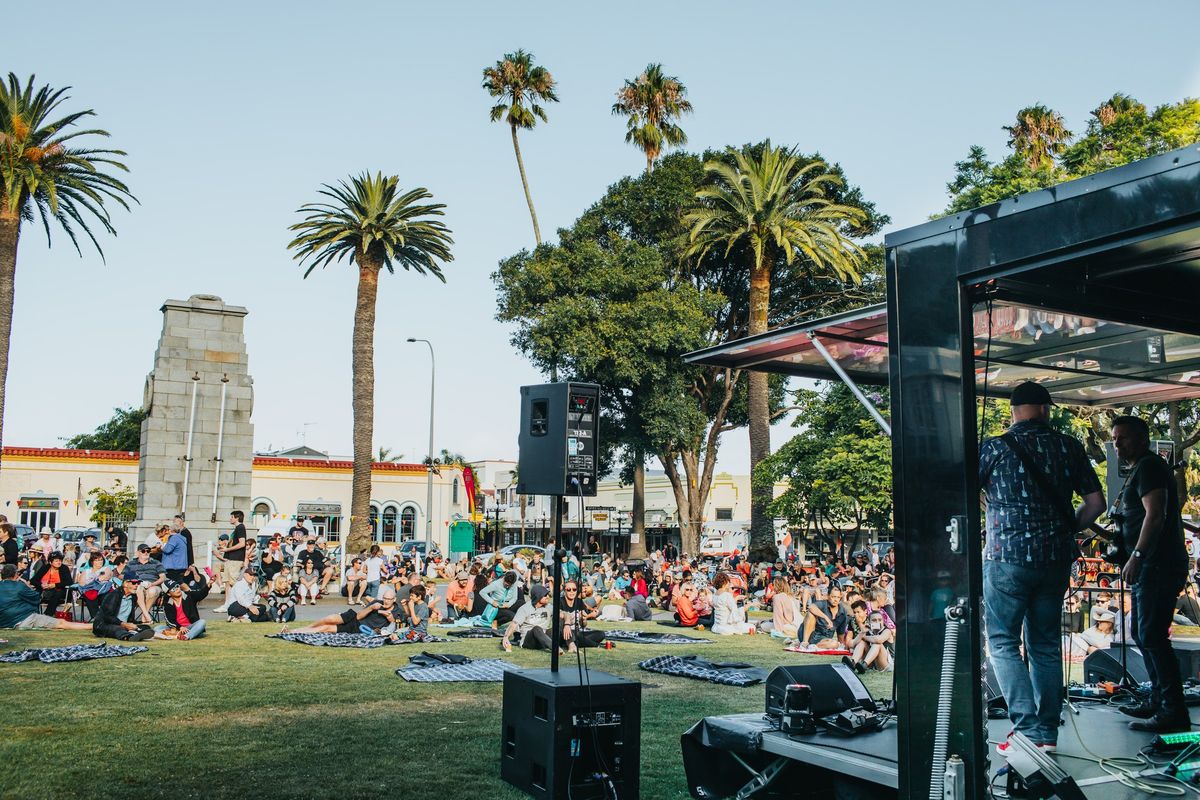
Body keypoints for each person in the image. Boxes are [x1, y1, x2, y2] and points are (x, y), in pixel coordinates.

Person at [979, 381, 1106, 754]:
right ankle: (1047, 734)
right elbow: (1095, 503)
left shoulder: (995, 448)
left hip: (1007, 558)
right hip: (1053, 560)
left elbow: (963, 491)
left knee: (1002, 643)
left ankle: (1027, 729)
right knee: (1046, 645)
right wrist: (1066, 528)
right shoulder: (1068, 446)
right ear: (1047, 409)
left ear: (1014, 411)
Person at [1111, 415, 1192, 732]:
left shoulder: (1150, 467)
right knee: (1141, 633)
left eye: (1124, 438)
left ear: (1142, 439)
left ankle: (1173, 710)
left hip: (1158, 565)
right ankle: (1159, 700)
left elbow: (1155, 515)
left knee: (1153, 635)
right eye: (1115, 438)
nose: (1117, 444)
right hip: (1151, 566)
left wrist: (1138, 555)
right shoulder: (1138, 471)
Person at [0, 563, 93, 632]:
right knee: (61, 623)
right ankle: (92, 626)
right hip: (23, 619)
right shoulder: (19, 586)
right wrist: (25, 584)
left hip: (4, 622)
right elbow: (36, 597)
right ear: (15, 574)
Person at [285, 588, 400, 635]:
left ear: (394, 599)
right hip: (354, 617)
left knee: (325, 628)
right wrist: (371, 608)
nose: (386, 601)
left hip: (359, 628)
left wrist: (391, 619)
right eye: (385, 598)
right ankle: (305, 628)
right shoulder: (376, 603)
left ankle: (292, 632)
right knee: (328, 619)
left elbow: (396, 627)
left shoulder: (397, 611)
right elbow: (359, 616)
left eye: (389, 599)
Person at [92, 575, 155, 640]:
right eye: (133, 583)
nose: (136, 585)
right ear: (126, 584)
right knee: (118, 629)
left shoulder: (133, 596)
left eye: (138, 583)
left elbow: (130, 619)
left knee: (146, 627)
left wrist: (138, 623)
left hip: (123, 624)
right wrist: (123, 624)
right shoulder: (113, 595)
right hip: (105, 624)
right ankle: (129, 637)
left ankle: (135, 633)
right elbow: (107, 617)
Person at [502, 584, 557, 653]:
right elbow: (514, 623)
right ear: (538, 596)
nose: (548, 597)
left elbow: (561, 614)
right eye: (545, 595)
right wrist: (506, 637)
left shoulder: (548, 607)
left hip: (544, 638)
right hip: (529, 640)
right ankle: (555, 649)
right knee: (536, 629)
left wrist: (566, 621)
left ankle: (571, 645)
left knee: (557, 628)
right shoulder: (525, 608)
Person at [796, 585, 849, 650]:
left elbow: (841, 633)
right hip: (810, 634)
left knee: (835, 644)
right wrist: (826, 618)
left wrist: (841, 645)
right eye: (833, 597)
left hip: (824, 638)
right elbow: (811, 607)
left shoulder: (842, 612)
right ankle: (805, 643)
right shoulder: (823, 603)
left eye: (838, 597)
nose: (835, 600)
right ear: (828, 596)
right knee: (810, 614)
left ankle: (812, 647)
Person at [125, 544, 167, 624]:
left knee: (153, 591)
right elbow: (123, 576)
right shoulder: (131, 564)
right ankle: (146, 616)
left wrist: (153, 584)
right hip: (138, 585)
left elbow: (163, 577)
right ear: (138, 553)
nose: (146, 553)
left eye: (148, 551)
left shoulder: (156, 563)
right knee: (139, 588)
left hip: (153, 585)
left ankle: (145, 615)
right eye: (143, 551)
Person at [32, 551, 73, 615]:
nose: (59, 562)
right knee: (35, 593)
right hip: (45, 590)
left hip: (60, 591)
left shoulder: (64, 568)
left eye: (60, 560)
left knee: (57, 593)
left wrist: (54, 585)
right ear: (50, 562)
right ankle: (34, 614)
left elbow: (69, 582)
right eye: (56, 561)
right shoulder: (45, 567)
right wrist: (41, 585)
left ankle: (48, 614)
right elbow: (33, 580)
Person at [221, 511, 249, 599]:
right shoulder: (237, 528)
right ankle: (228, 603)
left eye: (232, 517)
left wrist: (227, 549)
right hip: (231, 558)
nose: (230, 518)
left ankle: (237, 602)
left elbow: (242, 543)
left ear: (237, 518)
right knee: (227, 582)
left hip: (235, 559)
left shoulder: (240, 527)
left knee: (233, 582)